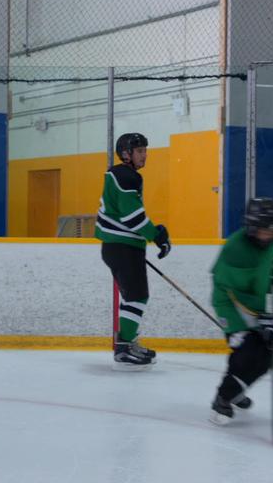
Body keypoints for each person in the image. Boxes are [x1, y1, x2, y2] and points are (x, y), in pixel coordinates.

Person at [209, 197, 273, 425]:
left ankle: (236, 389)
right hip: (230, 306)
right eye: (266, 229)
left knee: (264, 356)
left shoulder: (268, 241)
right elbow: (235, 293)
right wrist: (261, 321)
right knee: (248, 351)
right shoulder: (236, 250)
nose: (271, 234)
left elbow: (265, 268)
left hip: (252, 305)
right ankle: (223, 398)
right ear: (252, 228)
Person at [96, 132, 172, 371]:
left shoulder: (122, 174)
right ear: (127, 154)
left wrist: (151, 235)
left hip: (121, 246)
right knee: (137, 296)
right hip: (122, 247)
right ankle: (124, 347)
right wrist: (157, 235)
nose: (145, 155)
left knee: (135, 295)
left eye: (145, 151)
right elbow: (133, 217)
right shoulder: (126, 177)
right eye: (140, 151)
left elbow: (129, 216)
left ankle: (127, 343)